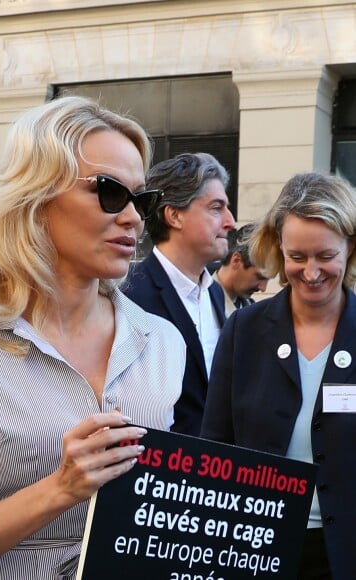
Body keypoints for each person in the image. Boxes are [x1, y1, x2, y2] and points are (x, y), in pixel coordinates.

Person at [0, 95, 186, 580]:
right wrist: (60, 488)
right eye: (111, 192)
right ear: (36, 197)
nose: (134, 218)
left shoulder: (161, 341)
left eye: (143, 201)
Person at [201, 172, 356, 579]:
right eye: (297, 257)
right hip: (256, 550)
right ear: (278, 249)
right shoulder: (245, 330)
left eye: (326, 256)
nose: (311, 272)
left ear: (350, 248)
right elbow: (216, 444)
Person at [122, 152, 235, 436]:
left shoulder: (215, 295)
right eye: (216, 208)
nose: (230, 222)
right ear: (174, 215)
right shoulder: (130, 295)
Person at [213, 222, 269, 317]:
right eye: (259, 277)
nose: (263, 288)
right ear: (236, 260)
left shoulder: (253, 312)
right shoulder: (201, 304)